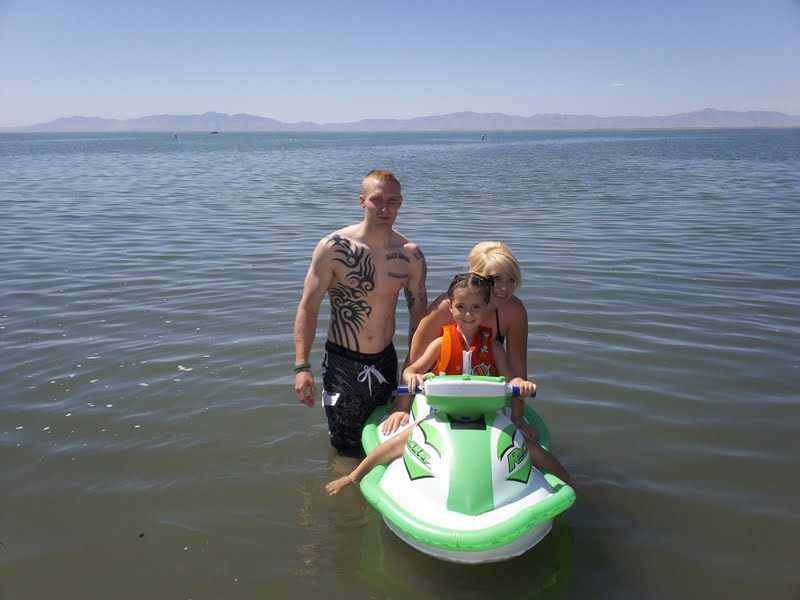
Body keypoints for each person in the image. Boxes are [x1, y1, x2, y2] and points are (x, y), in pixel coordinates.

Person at [325, 272, 572, 495]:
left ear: (487, 309)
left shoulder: (494, 347)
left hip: (485, 411)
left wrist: (522, 384)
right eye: (461, 307)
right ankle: (353, 476)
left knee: (533, 450)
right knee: (398, 443)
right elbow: (412, 369)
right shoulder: (441, 344)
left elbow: (511, 376)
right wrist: (414, 378)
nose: (468, 313)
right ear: (450, 309)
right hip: (443, 412)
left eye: (476, 307)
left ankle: (569, 485)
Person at [293, 169, 428, 452]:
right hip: (343, 362)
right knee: (345, 446)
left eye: (392, 201)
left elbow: (419, 322)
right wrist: (302, 366)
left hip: (385, 361)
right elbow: (309, 307)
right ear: (362, 201)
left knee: (385, 442)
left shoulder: (410, 255)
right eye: (377, 200)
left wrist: (411, 371)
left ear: (401, 202)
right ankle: (342, 489)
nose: (384, 208)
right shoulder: (334, 247)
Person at [382, 241, 530, 435]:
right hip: (441, 388)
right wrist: (402, 407)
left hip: (483, 390)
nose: (504, 288)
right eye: (495, 279)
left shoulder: (514, 311)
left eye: (511, 280)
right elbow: (415, 359)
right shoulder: (446, 307)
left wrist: (517, 419)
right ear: (476, 276)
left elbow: (517, 367)